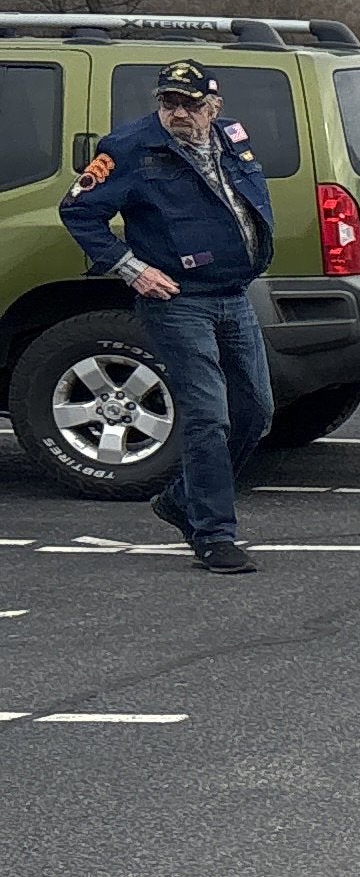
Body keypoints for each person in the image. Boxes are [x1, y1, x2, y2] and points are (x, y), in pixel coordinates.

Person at [61, 56, 274, 575]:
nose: (178, 112)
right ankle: (213, 534)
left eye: (189, 103)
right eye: (168, 102)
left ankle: (183, 498)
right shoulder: (129, 148)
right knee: (208, 418)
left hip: (233, 291)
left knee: (257, 411)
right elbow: (78, 211)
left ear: (213, 106)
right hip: (177, 301)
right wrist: (132, 269)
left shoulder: (229, 136)